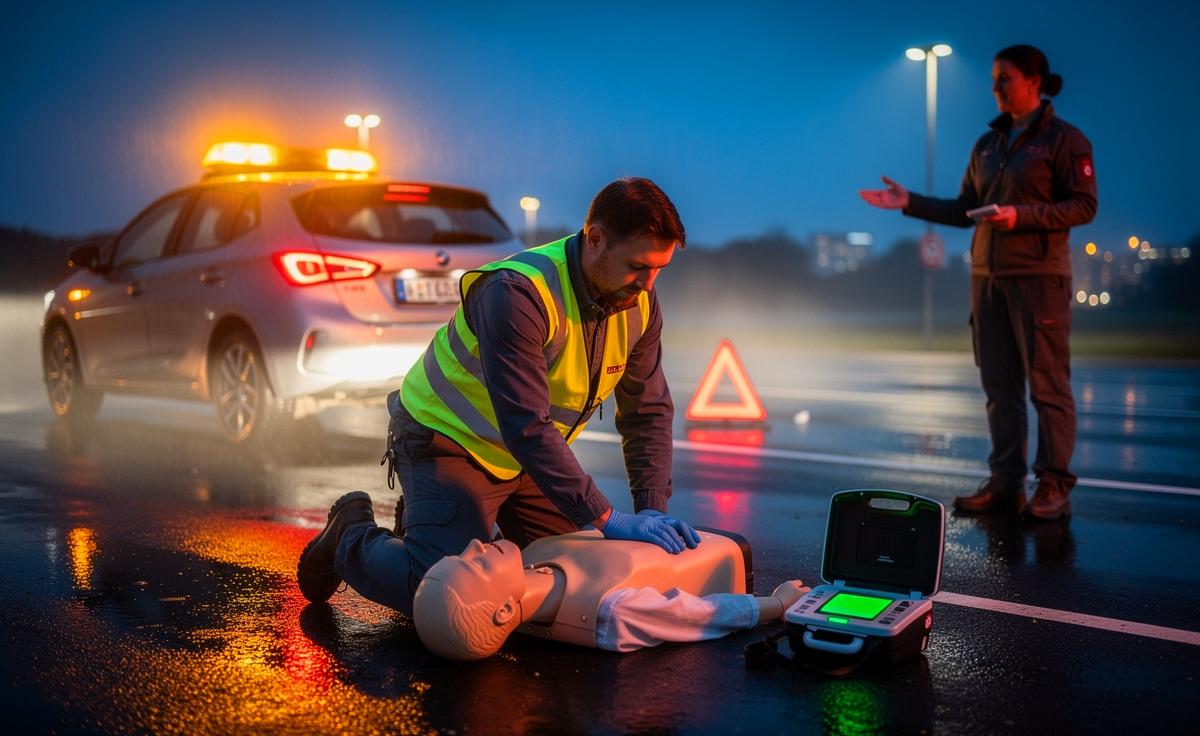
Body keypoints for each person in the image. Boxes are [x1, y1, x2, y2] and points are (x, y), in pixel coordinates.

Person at [298, 178, 702, 612]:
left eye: (659, 268)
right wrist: (608, 517)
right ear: (596, 240)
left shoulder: (638, 302)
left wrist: (652, 509)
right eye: (638, 266)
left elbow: (647, 410)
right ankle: (351, 534)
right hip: (445, 442)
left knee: (575, 576)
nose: (648, 284)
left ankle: (427, 523)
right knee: (445, 597)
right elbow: (525, 423)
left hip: (524, 459)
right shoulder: (516, 293)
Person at [860, 44, 1096, 521]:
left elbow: (1083, 205)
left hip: (1039, 280)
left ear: (1034, 82)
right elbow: (964, 209)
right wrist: (909, 202)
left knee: (1048, 387)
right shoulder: (988, 144)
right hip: (987, 279)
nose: (995, 87)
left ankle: (1053, 486)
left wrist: (1020, 215)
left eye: (1004, 78)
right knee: (999, 388)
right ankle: (1005, 483)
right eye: (993, 78)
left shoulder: (1065, 140)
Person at [412, 526, 809, 659]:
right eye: (476, 564)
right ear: (503, 612)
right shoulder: (611, 611)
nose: (474, 545)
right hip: (714, 548)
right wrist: (777, 604)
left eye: (461, 554)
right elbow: (699, 614)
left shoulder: (532, 561)